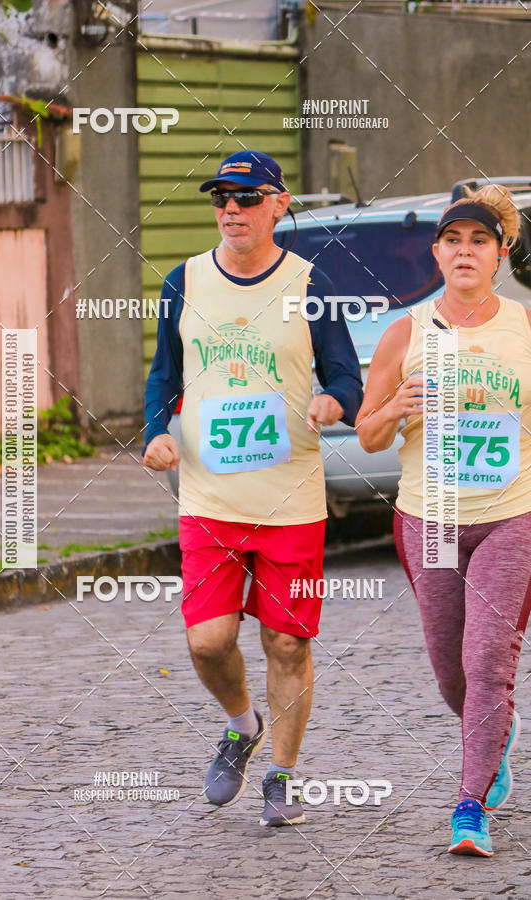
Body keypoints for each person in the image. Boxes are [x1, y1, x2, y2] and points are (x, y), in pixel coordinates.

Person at [143, 150, 363, 826]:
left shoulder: (310, 284)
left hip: (291, 500)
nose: (231, 210)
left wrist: (334, 403)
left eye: (246, 198)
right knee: (207, 642)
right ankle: (242, 726)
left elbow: (348, 379)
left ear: (278, 203)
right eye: (221, 199)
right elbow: (163, 376)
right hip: (210, 499)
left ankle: (282, 777)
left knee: (287, 644)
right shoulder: (183, 283)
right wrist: (156, 431)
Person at [356, 184, 531, 856]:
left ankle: (470, 806)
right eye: (452, 240)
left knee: (487, 661)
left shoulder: (522, 328)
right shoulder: (404, 332)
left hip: (510, 515)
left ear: (500, 254)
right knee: (452, 674)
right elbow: (368, 436)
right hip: (429, 520)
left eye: (478, 241)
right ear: (436, 252)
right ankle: (497, 735)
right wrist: (396, 404)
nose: (464, 251)